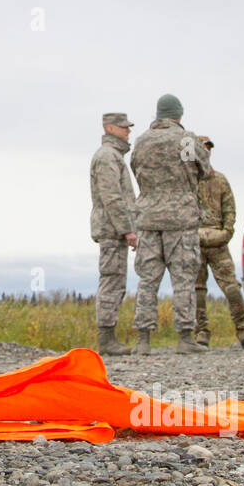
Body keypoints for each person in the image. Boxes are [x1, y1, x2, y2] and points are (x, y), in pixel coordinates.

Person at [130, 94, 210, 355]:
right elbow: (204, 169)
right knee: (184, 279)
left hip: (149, 219)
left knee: (147, 281)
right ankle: (185, 337)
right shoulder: (186, 139)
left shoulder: (141, 141)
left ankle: (143, 340)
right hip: (180, 220)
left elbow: (136, 167)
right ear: (179, 114)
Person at [194, 137, 244, 349]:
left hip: (218, 243)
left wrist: (227, 231)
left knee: (231, 288)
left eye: (208, 149)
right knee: (197, 289)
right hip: (194, 243)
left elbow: (230, 208)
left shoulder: (220, 180)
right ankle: (201, 332)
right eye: (202, 149)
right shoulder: (186, 180)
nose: (206, 152)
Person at [90, 113, 138, 356]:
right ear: (109, 128)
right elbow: (112, 197)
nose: (128, 131)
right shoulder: (107, 157)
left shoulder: (113, 156)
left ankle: (109, 337)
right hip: (112, 230)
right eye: (123, 127)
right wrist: (127, 229)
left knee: (116, 280)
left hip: (113, 230)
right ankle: (106, 339)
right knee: (112, 280)